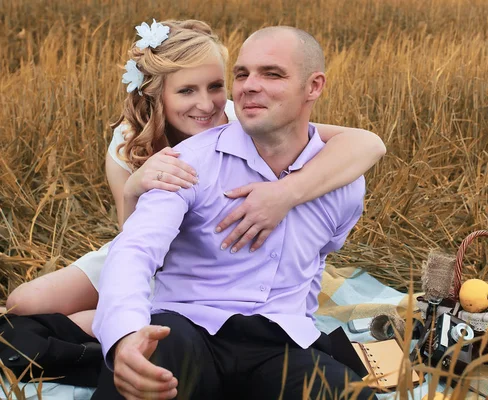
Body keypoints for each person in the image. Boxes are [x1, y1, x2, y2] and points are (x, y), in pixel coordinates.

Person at [5, 19, 385, 338]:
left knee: (73, 325)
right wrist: (136, 187)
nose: (206, 105)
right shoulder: (128, 142)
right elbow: (133, 239)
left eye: (216, 87)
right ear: (157, 95)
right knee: (25, 303)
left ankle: (104, 333)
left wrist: (285, 193)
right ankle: (117, 323)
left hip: (215, 258)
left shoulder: (243, 118)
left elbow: (367, 144)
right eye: (187, 90)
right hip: (156, 256)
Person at [91, 25, 375, 399]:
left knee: (346, 394)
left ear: (314, 86)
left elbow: (321, 256)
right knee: (151, 362)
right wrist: (125, 336)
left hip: (282, 344)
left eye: (271, 74)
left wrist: (286, 193)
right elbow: (134, 250)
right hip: (188, 329)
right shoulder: (186, 162)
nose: (249, 86)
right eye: (241, 74)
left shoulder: (342, 181)